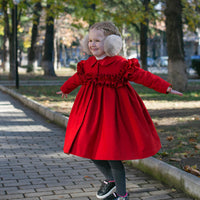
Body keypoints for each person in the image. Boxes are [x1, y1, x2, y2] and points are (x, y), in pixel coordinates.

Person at [57, 21, 182, 200]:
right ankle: (110, 180)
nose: (92, 44)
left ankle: (122, 194)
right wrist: (65, 88)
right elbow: (77, 78)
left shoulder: (121, 64)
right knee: (88, 148)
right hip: (91, 114)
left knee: (111, 154)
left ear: (111, 43)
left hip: (112, 115)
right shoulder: (87, 64)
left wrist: (166, 88)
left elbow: (143, 76)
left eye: (98, 40)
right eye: (90, 40)